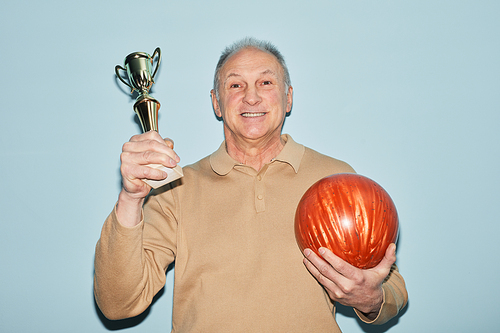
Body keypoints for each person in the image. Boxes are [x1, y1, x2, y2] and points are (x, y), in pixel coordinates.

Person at [94, 37, 407, 332]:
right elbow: (118, 304)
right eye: (235, 84)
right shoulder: (177, 188)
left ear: (288, 98)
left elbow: (391, 288)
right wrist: (131, 198)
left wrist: (371, 297)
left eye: (266, 82)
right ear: (217, 103)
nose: (252, 96)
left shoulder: (336, 178)